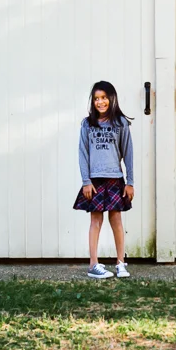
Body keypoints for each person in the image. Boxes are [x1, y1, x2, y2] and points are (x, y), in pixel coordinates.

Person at [73, 80, 135, 279]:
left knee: (116, 219)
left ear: (111, 98)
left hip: (115, 178)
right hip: (94, 181)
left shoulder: (121, 123)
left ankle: (120, 263)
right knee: (95, 220)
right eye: (96, 99)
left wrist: (130, 181)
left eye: (103, 98)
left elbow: (128, 153)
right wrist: (86, 181)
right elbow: (83, 153)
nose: (100, 102)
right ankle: (93, 265)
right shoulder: (87, 124)